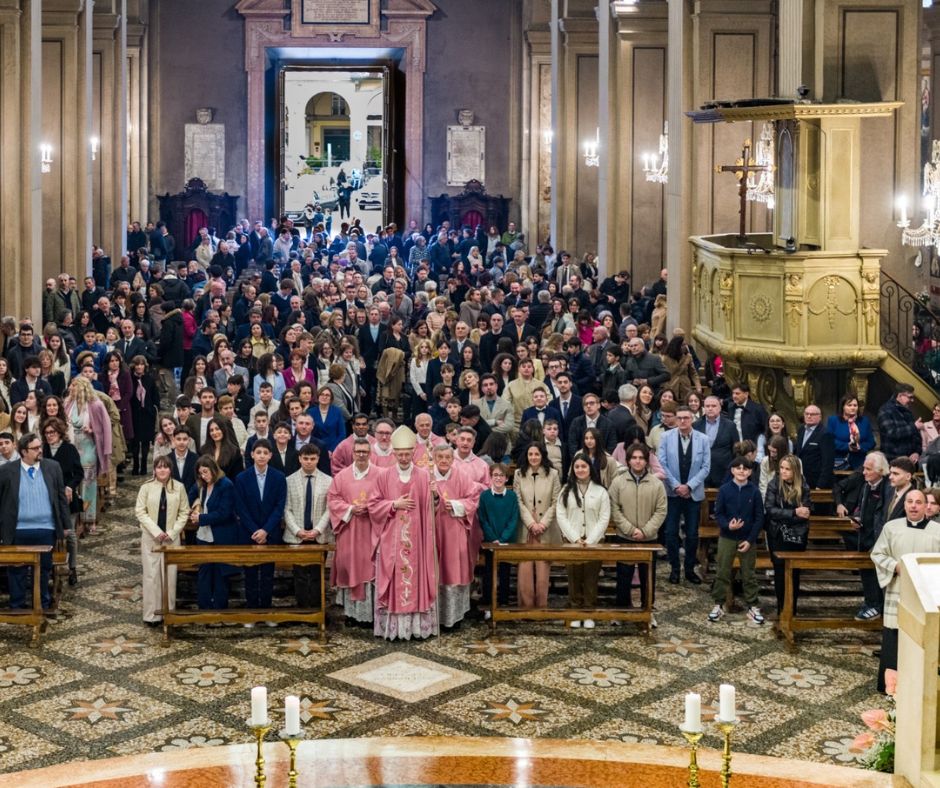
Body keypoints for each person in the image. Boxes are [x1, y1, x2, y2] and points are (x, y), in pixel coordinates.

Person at [368, 426, 438, 640]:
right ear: (394, 454)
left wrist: (435, 496)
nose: (404, 457)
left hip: (418, 539)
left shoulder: (424, 476)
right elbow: (373, 504)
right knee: (396, 578)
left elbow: (432, 506)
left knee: (416, 578)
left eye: (408, 454)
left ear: (413, 453)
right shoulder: (384, 476)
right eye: (400, 454)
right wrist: (393, 504)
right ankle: (395, 628)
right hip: (392, 538)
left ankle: (417, 627)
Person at [871, 489, 940, 692]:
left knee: (920, 637)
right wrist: (895, 567)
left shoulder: (937, 531)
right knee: (893, 636)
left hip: (925, 594)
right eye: (909, 501)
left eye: (918, 502)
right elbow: (877, 553)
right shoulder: (891, 528)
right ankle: (889, 687)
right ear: (904, 504)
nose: (913, 506)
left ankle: (917, 687)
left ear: (926, 506)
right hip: (897, 590)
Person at [0, 433, 71, 610]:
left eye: (40, 447)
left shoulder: (52, 467)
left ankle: (42, 604)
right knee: (17, 570)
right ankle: (17, 605)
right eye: (35, 448)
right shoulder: (7, 471)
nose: (40, 450)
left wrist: (65, 525)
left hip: (45, 528)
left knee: (44, 568)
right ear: (24, 451)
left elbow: (61, 498)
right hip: (18, 529)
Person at [609, 442, 666, 619]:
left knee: (647, 575)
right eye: (634, 458)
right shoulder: (618, 482)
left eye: (641, 458)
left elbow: (661, 510)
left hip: (648, 538)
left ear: (647, 461)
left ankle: (647, 609)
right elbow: (614, 508)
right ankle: (622, 611)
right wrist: (630, 529)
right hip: (625, 536)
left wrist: (646, 530)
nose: (638, 461)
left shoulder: (656, 484)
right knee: (624, 576)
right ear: (628, 461)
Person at [234, 439, 288, 621]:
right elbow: (240, 508)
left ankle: (266, 611)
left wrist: (265, 530)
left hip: (270, 534)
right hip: (249, 533)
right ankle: (251, 613)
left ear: (271, 455)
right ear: (252, 454)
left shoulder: (279, 477)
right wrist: (255, 531)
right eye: (259, 452)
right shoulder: (242, 478)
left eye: (265, 453)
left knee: (267, 574)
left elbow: (279, 507)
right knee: (249, 574)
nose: (262, 456)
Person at [555, 452, 610, 629]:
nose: (580, 469)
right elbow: (561, 515)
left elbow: (604, 517)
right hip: (572, 540)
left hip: (594, 542)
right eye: (577, 466)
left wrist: (591, 539)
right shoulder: (566, 490)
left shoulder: (600, 491)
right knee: (573, 576)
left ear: (590, 468)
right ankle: (575, 611)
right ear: (573, 469)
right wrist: (575, 538)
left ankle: (589, 612)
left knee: (591, 577)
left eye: (583, 466)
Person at [708, 456, 765, 625]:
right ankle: (718, 604)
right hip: (727, 537)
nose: (741, 471)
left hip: (747, 539)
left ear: (750, 472)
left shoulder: (754, 491)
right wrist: (727, 525)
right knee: (722, 572)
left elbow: (759, 517)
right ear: (732, 470)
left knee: (749, 573)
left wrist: (750, 539)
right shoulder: (725, 490)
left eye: (745, 468)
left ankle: (753, 606)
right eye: (738, 468)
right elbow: (718, 514)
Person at [834, 450, 889, 622]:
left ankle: (876, 605)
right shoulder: (866, 486)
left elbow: (882, 516)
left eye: (868, 469)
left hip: (878, 539)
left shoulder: (886, 488)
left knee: (875, 575)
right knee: (866, 573)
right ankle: (870, 602)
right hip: (864, 536)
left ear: (880, 471)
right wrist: (858, 520)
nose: (863, 472)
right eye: (864, 468)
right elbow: (864, 509)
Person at [430, 443, 481, 628]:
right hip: (433, 531)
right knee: (435, 571)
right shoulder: (427, 478)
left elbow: (473, 499)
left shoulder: (462, 477)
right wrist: (434, 498)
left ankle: (454, 617)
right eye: (440, 457)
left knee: (454, 571)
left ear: (453, 459)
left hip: (455, 531)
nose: (444, 460)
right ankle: (433, 617)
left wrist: (456, 505)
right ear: (434, 459)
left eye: (447, 457)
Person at [659, 405, 711, 585]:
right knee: (671, 532)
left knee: (692, 534)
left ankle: (689, 569)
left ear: (692, 419)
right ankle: (674, 568)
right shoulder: (666, 437)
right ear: (675, 419)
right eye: (679, 417)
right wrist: (676, 486)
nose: (682, 421)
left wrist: (689, 486)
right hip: (672, 493)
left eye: (686, 418)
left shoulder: (703, 439)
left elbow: (706, 467)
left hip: (693, 494)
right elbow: (662, 463)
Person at [327, 437, 377, 625]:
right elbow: (333, 500)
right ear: (352, 454)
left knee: (370, 569)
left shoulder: (381, 474)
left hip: (372, 530)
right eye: (358, 452)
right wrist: (350, 509)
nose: (362, 455)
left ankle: (371, 614)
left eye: (365, 451)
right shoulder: (341, 476)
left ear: (370, 453)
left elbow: (387, 499)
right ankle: (352, 614)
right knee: (350, 568)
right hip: (349, 529)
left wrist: (371, 508)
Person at [135, 456, 189, 625]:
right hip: (151, 538)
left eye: (165, 467)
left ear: (170, 470)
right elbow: (140, 511)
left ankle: (168, 612)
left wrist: (172, 532)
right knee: (151, 576)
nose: (162, 470)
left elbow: (184, 512)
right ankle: (151, 614)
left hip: (171, 539)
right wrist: (156, 531)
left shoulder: (179, 488)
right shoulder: (146, 487)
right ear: (155, 470)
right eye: (159, 467)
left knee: (169, 576)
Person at [283, 443, 332, 610]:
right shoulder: (289, 480)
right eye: (305, 458)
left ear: (318, 459)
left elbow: (329, 509)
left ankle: (318, 610)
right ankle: (303, 609)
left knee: (318, 575)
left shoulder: (328, 481)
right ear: (299, 459)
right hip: (297, 535)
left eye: (312, 458)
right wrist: (297, 531)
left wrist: (317, 529)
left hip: (319, 535)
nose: (309, 462)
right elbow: (286, 509)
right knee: (300, 575)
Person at [764, 454, 812, 617]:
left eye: (787, 469)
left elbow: (806, 510)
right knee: (779, 572)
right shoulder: (774, 484)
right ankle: (781, 609)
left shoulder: (803, 485)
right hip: (777, 533)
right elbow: (770, 510)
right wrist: (793, 512)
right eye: (782, 468)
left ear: (795, 470)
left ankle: (792, 609)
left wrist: (795, 514)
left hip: (797, 534)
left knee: (794, 572)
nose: (783, 472)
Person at [188, 456, 236, 610]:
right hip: (203, 536)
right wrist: (194, 506)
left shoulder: (225, 485)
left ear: (214, 469)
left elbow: (225, 513)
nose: (203, 476)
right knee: (204, 574)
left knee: (220, 574)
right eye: (200, 473)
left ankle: (220, 609)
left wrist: (201, 518)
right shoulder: (200, 485)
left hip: (221, 535)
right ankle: (204, 609)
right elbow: (188, 498)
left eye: (205, 472)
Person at [41, 417, 83, 586]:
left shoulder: (69, 449)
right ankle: (50, 567)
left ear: (59, 432)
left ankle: (72, 567)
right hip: (47, 498)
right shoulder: (42, 450)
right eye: (46, 433)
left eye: (52, 432)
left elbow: (78, 473)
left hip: (67, 498)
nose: (49, 436)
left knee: (70, 535)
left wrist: (70, 487)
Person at [477, 463, 520, 618]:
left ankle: (503, 604)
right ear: (491, 477)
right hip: (490, 542)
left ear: (506, 478)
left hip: (507, 543)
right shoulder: (485, 496)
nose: (498, 478)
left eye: (501, 475)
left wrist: (502, 539)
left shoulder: (512, 496)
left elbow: (514, 519)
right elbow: (483, 519)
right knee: (489, 573)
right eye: (495, 475)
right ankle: (489, 604)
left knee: (505, 573)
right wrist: (493, 539)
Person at [694, 394, 738, 488]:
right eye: (707, 406)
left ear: (720, 408)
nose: (710, 408)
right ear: (703, 408)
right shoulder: (695, 426)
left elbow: (735, 451)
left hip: (724, 473)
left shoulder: (730, 426)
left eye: (713, 406)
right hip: (701, 473)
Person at [128, 356, 160, 476]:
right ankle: (135, 465)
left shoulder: (150, 379)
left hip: (147, 414)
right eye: (137, 365)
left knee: (146, 442)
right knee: (135, 442)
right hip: (135, 414)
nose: (139, 367)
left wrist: (154, 409)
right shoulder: (130, 379)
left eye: (141, 365)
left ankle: (144, 465)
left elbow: (155, 396)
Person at [827, 394, 876, 471]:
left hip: (859, 463)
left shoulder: (864, 421)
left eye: (855, 405)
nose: (853, 408)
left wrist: (859, 447)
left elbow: (871, 442)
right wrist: (847, 447)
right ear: (843, 407)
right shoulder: (833, 420)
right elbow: (830, 441)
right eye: (849, 405)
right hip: (839, 462)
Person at [793, 404, 835, 489]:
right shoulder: (801, 429)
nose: (809, 416)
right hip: (800, 479)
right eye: (806, 414)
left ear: (820, 417)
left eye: (812, 414)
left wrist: (820, 484)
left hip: (816, 481)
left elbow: (828, 462)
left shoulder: (825, 434)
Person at [877, 383, 921, 463]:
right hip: (892, 459)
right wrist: (914, 427)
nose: (912, 400)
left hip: (910, 460)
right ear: (900, 396)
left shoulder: (908, 412)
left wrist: (916, 452)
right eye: (910, 397)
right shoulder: (885, 410)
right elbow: (892, 433)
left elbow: (916, 436)